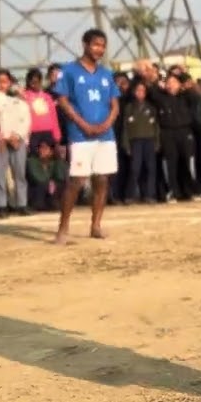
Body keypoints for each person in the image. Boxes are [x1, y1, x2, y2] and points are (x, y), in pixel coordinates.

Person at [53, 29, 119, 244]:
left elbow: (114, 104)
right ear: (85, 44)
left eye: (103, 45)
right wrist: (83, 124)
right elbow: (62, 101)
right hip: (81, 134)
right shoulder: (69, 71)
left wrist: (107, 123)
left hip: (105, 134)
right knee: (77, 180)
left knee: (102, 179)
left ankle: (96, 225)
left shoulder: (106, 74)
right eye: (96, 44)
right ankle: (63, 229)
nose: (99, 49)